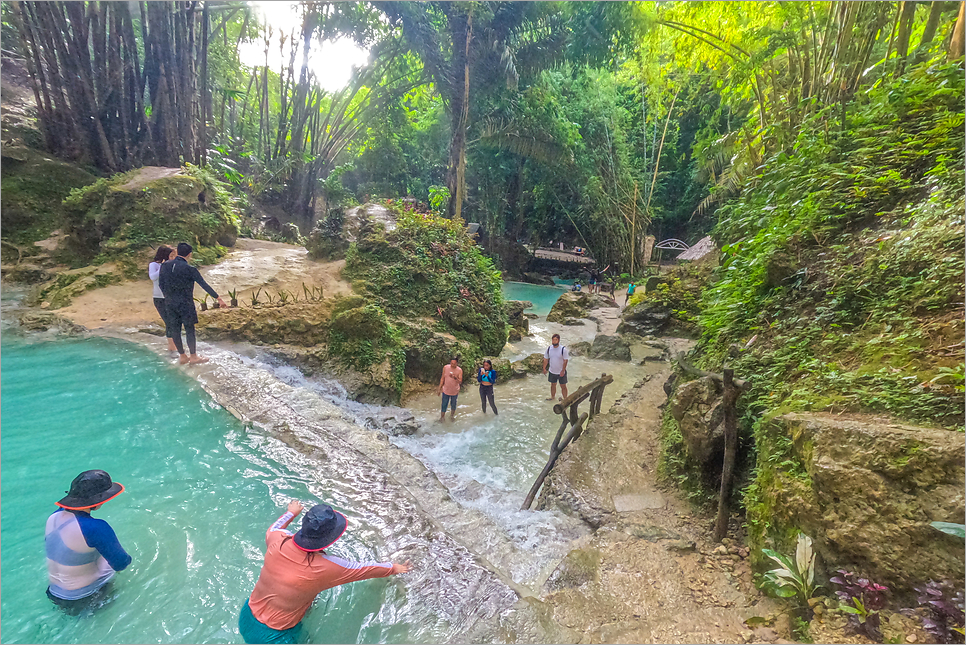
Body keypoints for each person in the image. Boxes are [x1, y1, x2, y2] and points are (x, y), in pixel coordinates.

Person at [240, 501, 412, 644]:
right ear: (331, 538)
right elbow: (363, 569)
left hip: (247, 615)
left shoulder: (277, 539)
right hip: (275, 636)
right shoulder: (327, 567)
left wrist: (290, 513)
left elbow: (274, 527)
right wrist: (394, 568)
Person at [45, 470, 132, 615]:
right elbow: (122, 563)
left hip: (54, 594)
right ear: (98, 501)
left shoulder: (53, 517)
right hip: (86, 597)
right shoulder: (96, 527)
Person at [158, 242, 226, 364]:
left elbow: (161, 284)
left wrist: (167, 296)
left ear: (177, 252)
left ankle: (182, 356)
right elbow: (204, 285)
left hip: (170, 302)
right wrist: (218, 298)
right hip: (185, 303)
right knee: (189, 329)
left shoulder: (165, 266)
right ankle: (193, 356)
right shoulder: (190, 269)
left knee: (175, 328)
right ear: (190, 254)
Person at [149, 245, 179, 353]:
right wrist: (163, 266)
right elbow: (153, 277)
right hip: (159, 298)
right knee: (169, 322)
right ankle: (172, 347)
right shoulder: (154, 265)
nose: (173, 257)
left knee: (174, 321)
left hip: (171, 296)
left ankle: (175, 345)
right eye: (171, 255)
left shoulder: (172, 265)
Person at [542, 333, 569, 401]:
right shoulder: (549, 349)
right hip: (552, 371)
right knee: (553, 385)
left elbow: (565, 361)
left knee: (563, 386)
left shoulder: (563, 349)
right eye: (553, 340)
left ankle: (565, 399)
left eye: (556, 340)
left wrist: (563, 370)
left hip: (561, 371)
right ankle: (552, 397)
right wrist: (544, 368)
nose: (554, 341)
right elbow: (546, 359)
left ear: (558, 340)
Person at [437, 356, 463, 422]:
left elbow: (460, 381)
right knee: (444, 404)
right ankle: (442, 417)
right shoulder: (446, 367)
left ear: (457, 363)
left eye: (454, 364)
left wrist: (454, 377)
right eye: (451, 363)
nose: (452, 365)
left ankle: (452, 416)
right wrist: (439, 388)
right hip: (446, 389)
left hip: (454, 390)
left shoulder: (459, 370)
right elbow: (442, 378)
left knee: (453, 404)